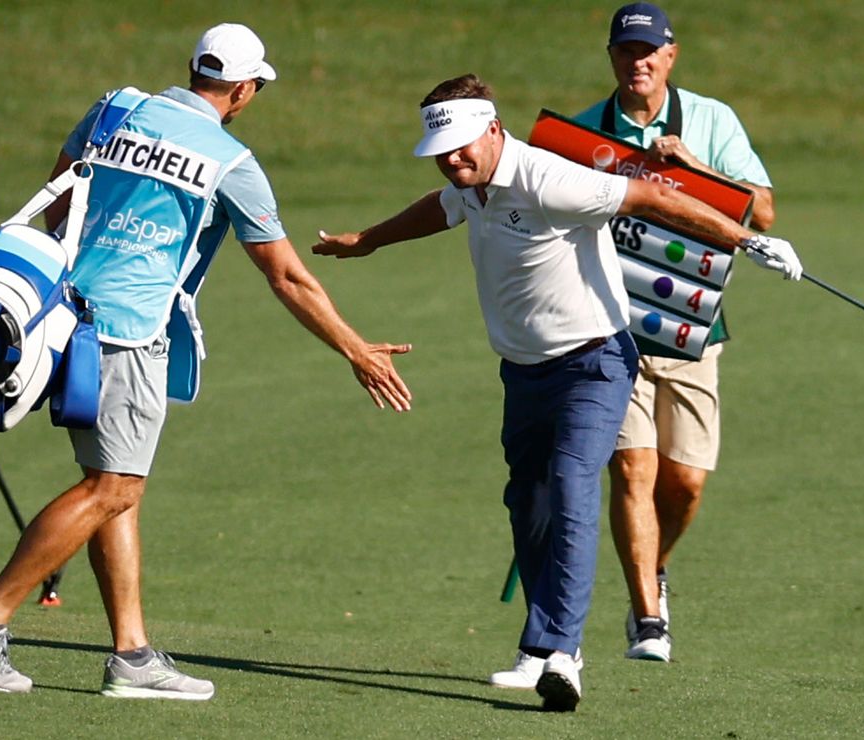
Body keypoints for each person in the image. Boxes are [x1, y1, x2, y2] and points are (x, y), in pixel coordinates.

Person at [0, 23, 412, 700]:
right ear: (244, 90)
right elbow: (288, 277)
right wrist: (355, 348)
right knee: (114, 489)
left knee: (114, 486)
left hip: (65, 320)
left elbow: (58, 196)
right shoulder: (231, 161)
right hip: (129, 334)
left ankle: (130, 656)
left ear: (195, 69)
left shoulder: (113, 107)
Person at [313, 74, 800, 711]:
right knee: (531, 506)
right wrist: (368, 240)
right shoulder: (471, 184)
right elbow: (440, 207)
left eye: (462, 147)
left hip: (594, 364)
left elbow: (649, 195)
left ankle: (564, 654)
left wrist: (748, 240)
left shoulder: (549, 177)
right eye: (442, 151)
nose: (452, 160)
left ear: (493, 130)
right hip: (523, 373)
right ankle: (537, 647)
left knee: (573, 487)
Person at [572, 2, 779, 663]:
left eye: (649, 51)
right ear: (611, 58)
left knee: (684, 482)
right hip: (608, 330)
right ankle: (647, 617)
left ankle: (649, 566)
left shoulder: (712, 120)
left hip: (693, 323)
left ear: (671, 55)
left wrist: (694, 168)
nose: (639, 61)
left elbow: (763, 212)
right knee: (633, 469)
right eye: (626, 51)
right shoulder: (579, 136)